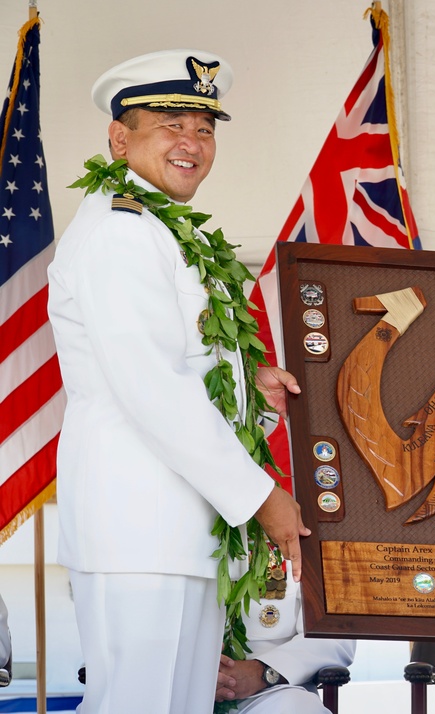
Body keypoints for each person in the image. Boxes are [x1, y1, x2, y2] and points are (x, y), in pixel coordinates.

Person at [48, 50, 308, 714]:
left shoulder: (164, 231)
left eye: (204, 127)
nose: (192, 143)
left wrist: (256, 388)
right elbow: (151, 387)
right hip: (139, 530)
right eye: (170, 124)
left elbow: (189, 372)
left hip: (180, 532)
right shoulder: (121, 232)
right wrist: (262, 497)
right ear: (119, 137)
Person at [215, 562, 356, 713]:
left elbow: (335, 635)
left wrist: (263, 673)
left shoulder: (319, 543)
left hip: (270, 693)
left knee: (298, 708)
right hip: (190, 684)